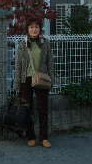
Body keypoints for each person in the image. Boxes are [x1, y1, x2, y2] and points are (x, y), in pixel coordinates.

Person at [14, 20, 54, 148]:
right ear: (27, 29)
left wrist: (51, 79)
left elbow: (50, 62)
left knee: (43, 109)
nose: (34, 29)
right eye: (31, 27)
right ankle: (31, 136)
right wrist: (17, 84)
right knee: (27, 109)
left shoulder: (45, 43)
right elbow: (18, 65)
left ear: (40, 29)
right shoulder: (23, 44)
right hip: (26, 79)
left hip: (42, 78)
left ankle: (44, 138)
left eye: (36, 27)